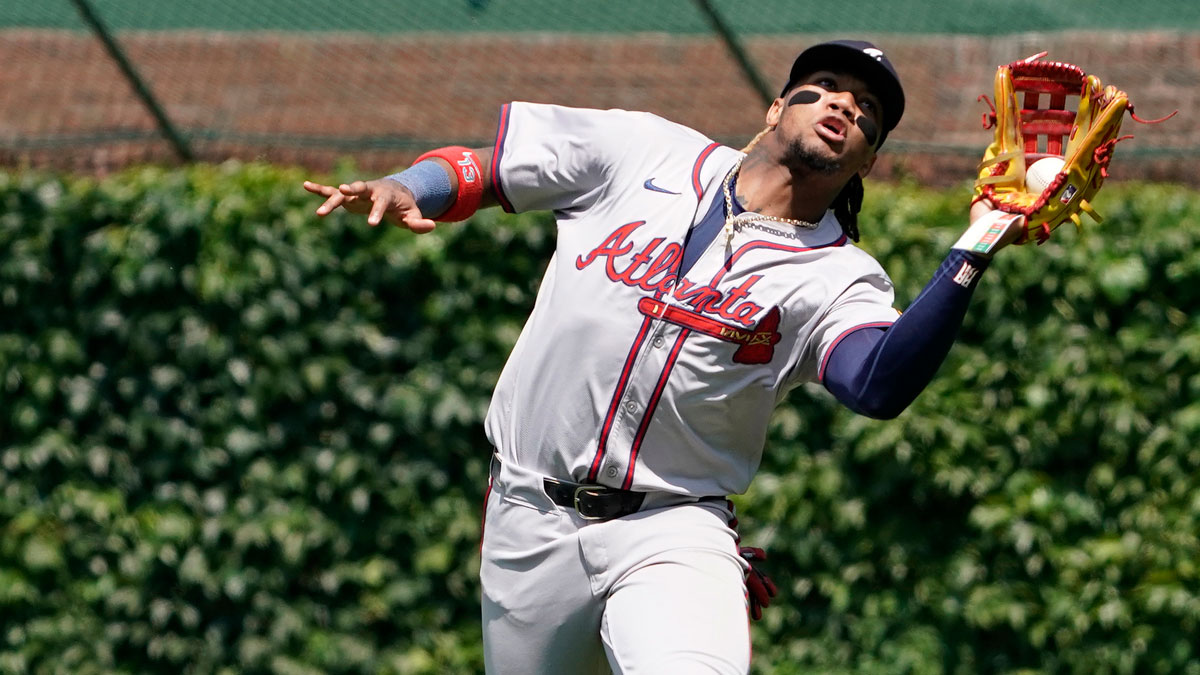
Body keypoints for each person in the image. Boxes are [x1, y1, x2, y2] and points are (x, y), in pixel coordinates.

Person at [304, 39, 1024, 674]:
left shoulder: (838, 274)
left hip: (673, 529)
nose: (844, 104)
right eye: (825, 88)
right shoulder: (644, 150)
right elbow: (493, 170)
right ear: (775, 109)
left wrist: (976, 247)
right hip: (528, 512)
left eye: (868, 109)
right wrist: (410, 185)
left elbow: (875, 382)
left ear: (870, 156)